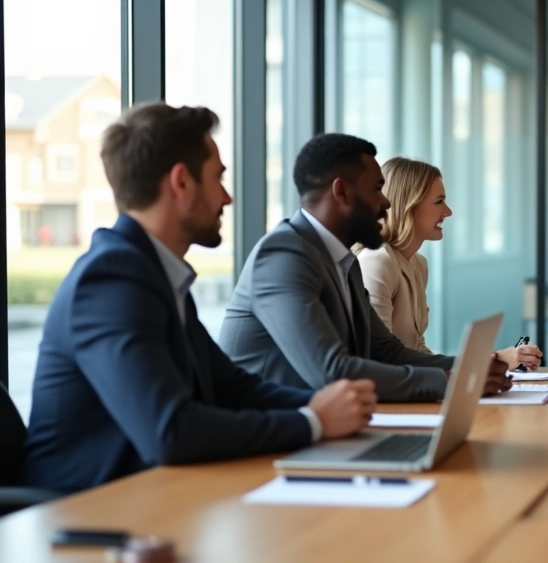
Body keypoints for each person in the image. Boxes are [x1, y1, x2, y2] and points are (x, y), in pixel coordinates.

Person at [22, 104, 375, 493]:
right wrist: (315, 421)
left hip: (152, 499)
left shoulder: (155, 272)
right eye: (218, 178)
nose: (227, 198)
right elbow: (171, 430)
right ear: (181, 182)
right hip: (84, 518)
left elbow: (234, 388)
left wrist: (330, 404)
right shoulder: (110, 281)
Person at [219, 134, 510, 402]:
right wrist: (452, 380)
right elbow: (333, 371)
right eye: (377, 189)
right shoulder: (283, 256)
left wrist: (474, 367)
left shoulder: (343, 262)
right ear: (342, 192)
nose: (386, 202)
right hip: (271, 437)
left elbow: (386, 351)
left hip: (322, 428)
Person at [356, 157, 543, 369]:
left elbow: (417, 350)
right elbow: (380, 359)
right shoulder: (377, 262)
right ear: (409, 205)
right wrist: (490, 361)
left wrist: (478, 370)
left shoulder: (418, 264)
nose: (448, 212)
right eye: (438, 202)